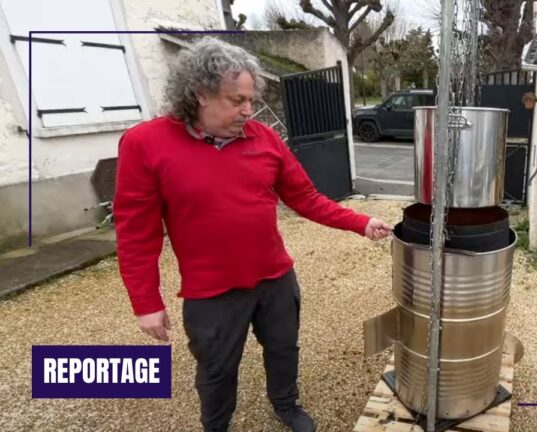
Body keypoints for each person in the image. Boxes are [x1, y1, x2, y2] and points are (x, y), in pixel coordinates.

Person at [113, 37, 392, 432]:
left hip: (275, 278)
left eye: (250, 100)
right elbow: (136, 233)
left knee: (283, 349)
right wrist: (145, 301)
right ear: (200, 94)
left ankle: (286, 404)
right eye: (236, 100)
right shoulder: (145, 143)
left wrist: (360, 222)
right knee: (216, 366)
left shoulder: (264, 138)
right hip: (211, 292)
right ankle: (216, 424)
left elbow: (306, 197)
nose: (248, 110)